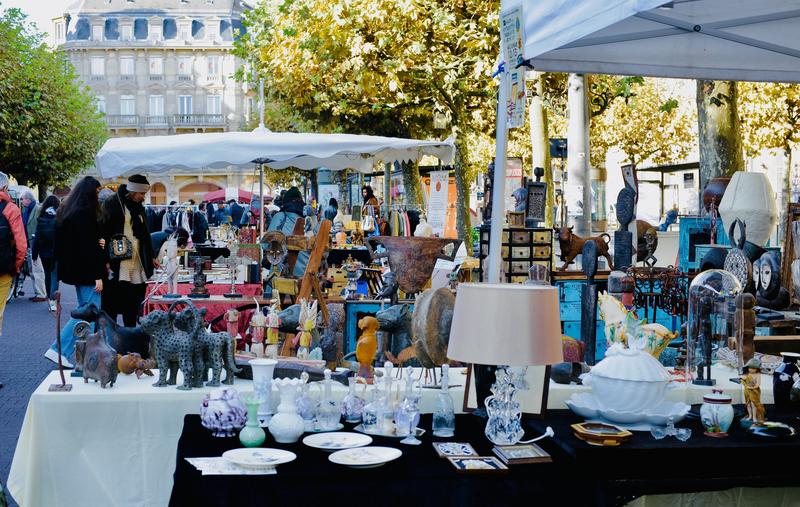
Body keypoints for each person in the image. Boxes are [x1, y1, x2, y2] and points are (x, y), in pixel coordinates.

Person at [45, 176, 105, 368]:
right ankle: (59, 349)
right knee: (88, 313)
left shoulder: (69, 211)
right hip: (88, 272)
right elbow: (88, 248)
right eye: (97, 192)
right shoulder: (85, 214)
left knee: (86, 312)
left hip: (77, 271)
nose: (99, 195)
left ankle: (85, 358)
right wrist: (98, 274)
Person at [100, 174, 157, 327]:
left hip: (136, 259)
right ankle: (111, 334)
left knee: (133, 298)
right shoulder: (112, 203)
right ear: (133, 191)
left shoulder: (138, 207)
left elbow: (145, 234)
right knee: (113, 300)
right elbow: (103, 232)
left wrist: (151, 256)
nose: (143, 197)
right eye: (141, 193)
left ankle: (130, 332)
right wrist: (105, 259)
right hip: (117, 260)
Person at [267, 186, 307, 276]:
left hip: (282, 274)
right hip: (305, 275)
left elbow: (266, 244)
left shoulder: (281, 216)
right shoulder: (308, 221)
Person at [32, 195, 60, 311]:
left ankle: (51, 302)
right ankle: (54, 301)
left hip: (44, 253)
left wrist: (34, 255)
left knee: (48, 276)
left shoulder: (41, 219)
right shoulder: (59, 219)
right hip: (56, 253)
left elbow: (36, 239)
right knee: (55, 277)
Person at [20, 190, 47, 302]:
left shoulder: (37, 209)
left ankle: (41, 294)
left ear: (28, 199)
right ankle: (38, 293)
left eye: (22, 199)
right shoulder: (26, 210)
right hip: (29, 243)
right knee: (32, 270)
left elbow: (41, 225)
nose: (21, 201)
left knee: (37, 270)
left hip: (36, 244)